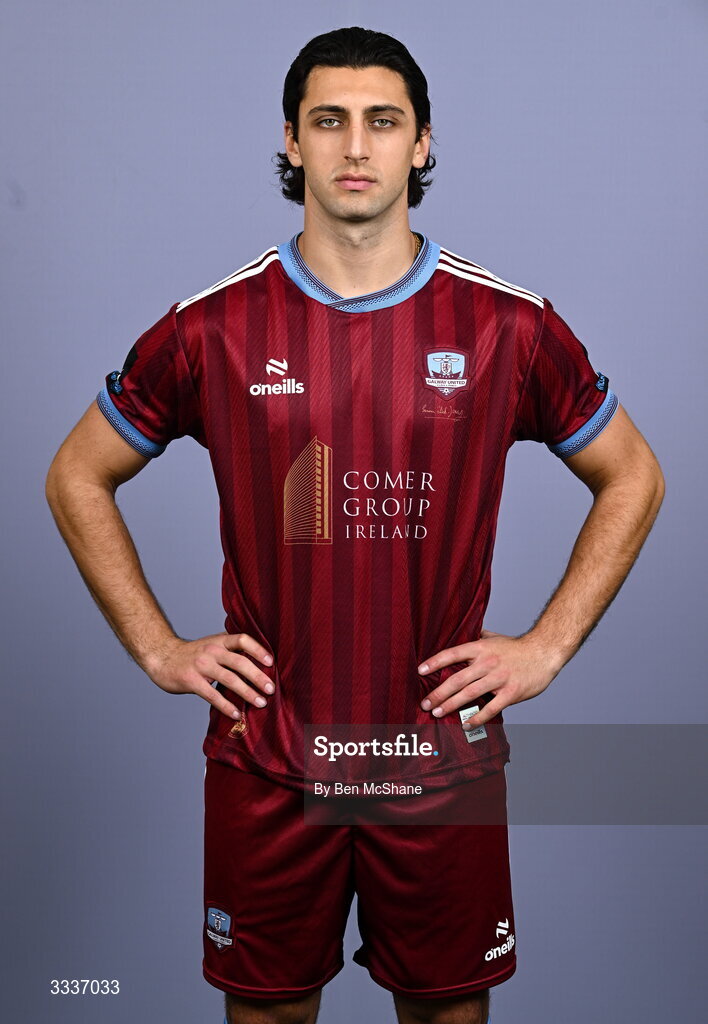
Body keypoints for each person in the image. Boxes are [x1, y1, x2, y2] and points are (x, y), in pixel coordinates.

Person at [45, 25, 665, 1024]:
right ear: (291, 142)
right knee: (270, 1011)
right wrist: (158, 647)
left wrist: (547, 646)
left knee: (446, 1012)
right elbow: (77, 472)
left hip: (440, 757)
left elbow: (633, 473)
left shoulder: (506, 325)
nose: (356, 146)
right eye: (328, 121)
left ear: (422, 143)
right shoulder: (215, 325)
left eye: (384, 121)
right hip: (270, 754)